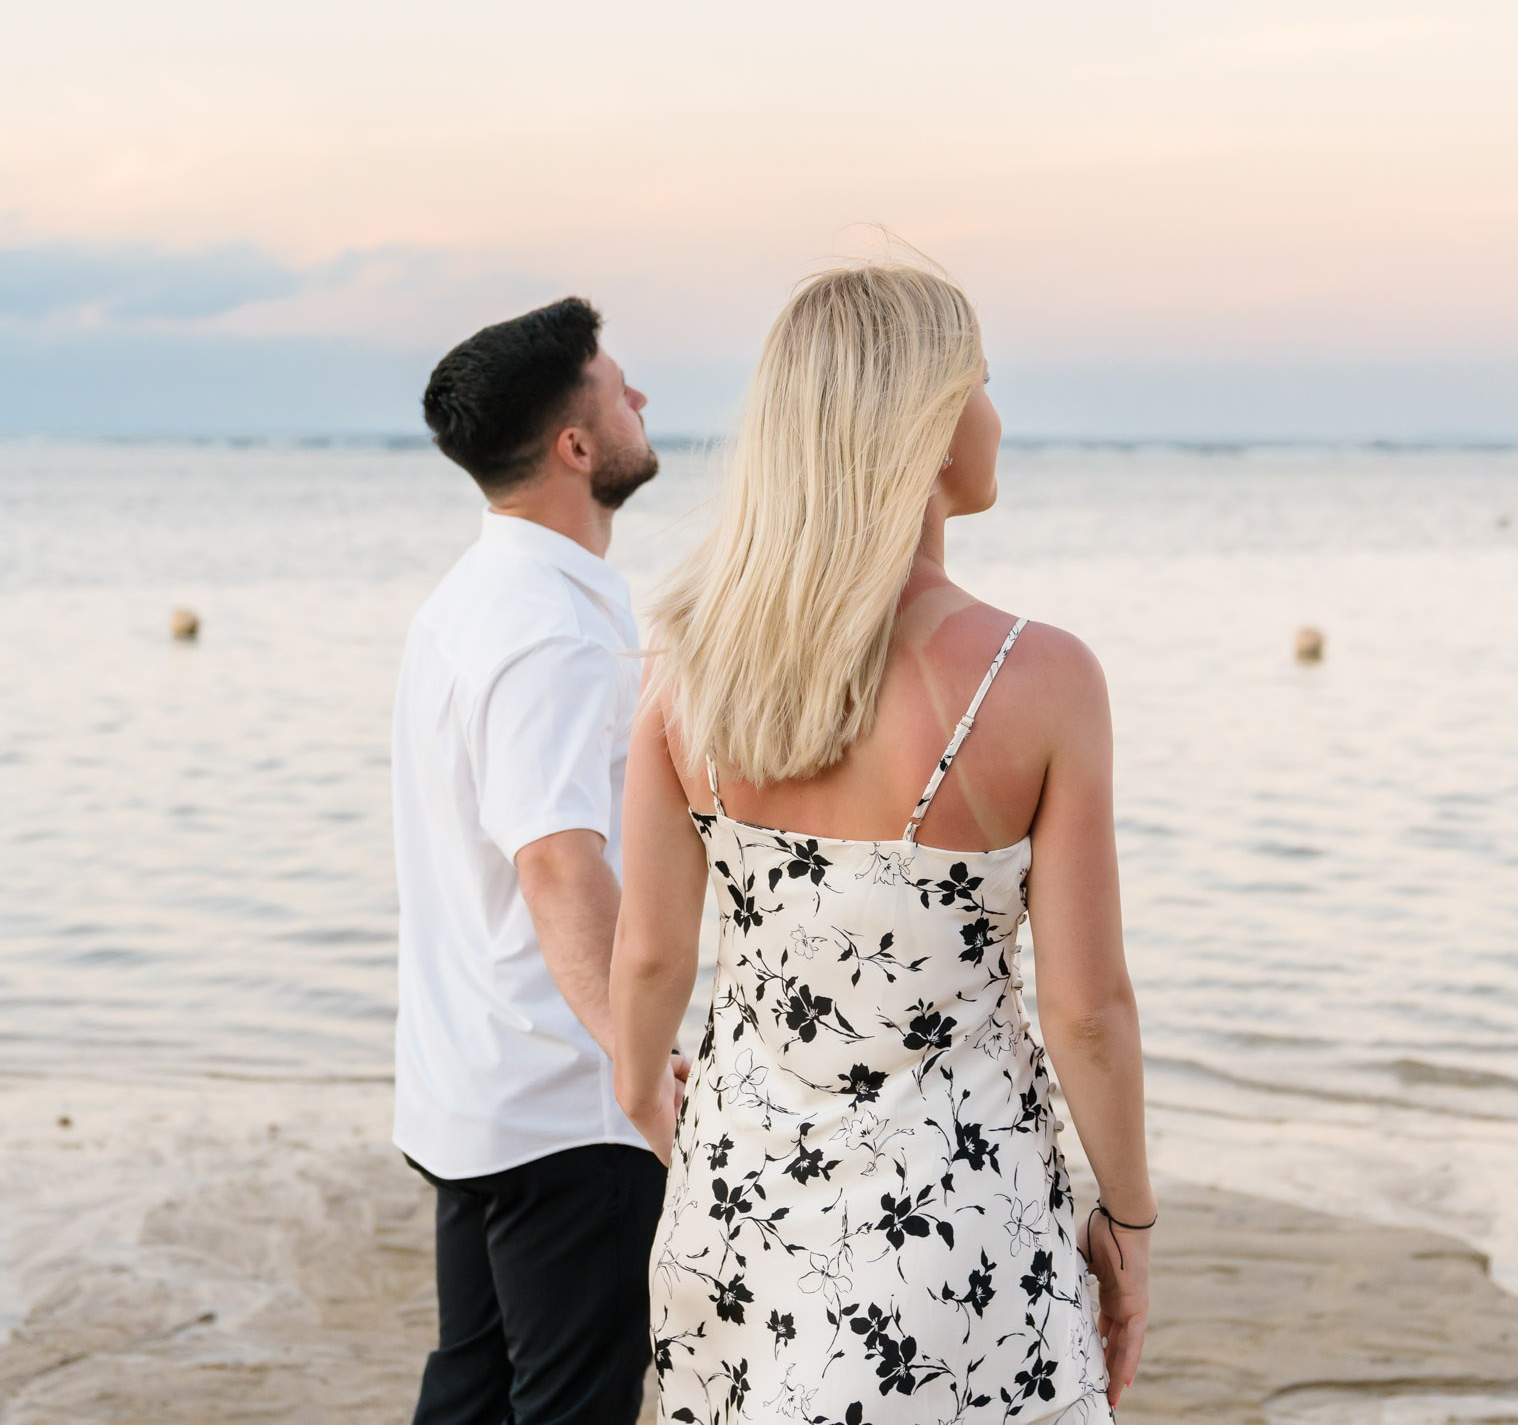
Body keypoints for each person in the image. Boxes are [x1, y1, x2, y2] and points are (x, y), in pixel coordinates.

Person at [609, 264, 1153, 1422]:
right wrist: (1129, 1214)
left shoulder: (683, 662)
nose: (996, 416)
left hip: (736, 1188)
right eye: (984, 386)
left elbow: (651, 958)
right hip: (957, 1208)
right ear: (929, 423)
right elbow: (1088, 1008)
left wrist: (646, 1100)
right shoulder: (1039, 675)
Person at [392, 295, 683, 1425]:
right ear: (575, 444)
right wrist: (639, 1066)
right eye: (619, 389)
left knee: (471, 1389)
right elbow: (560, 865)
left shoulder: (470, 601)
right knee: (572, 1403)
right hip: (565, 1103)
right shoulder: (548, 628)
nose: (642, 399)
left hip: (470, 1082)